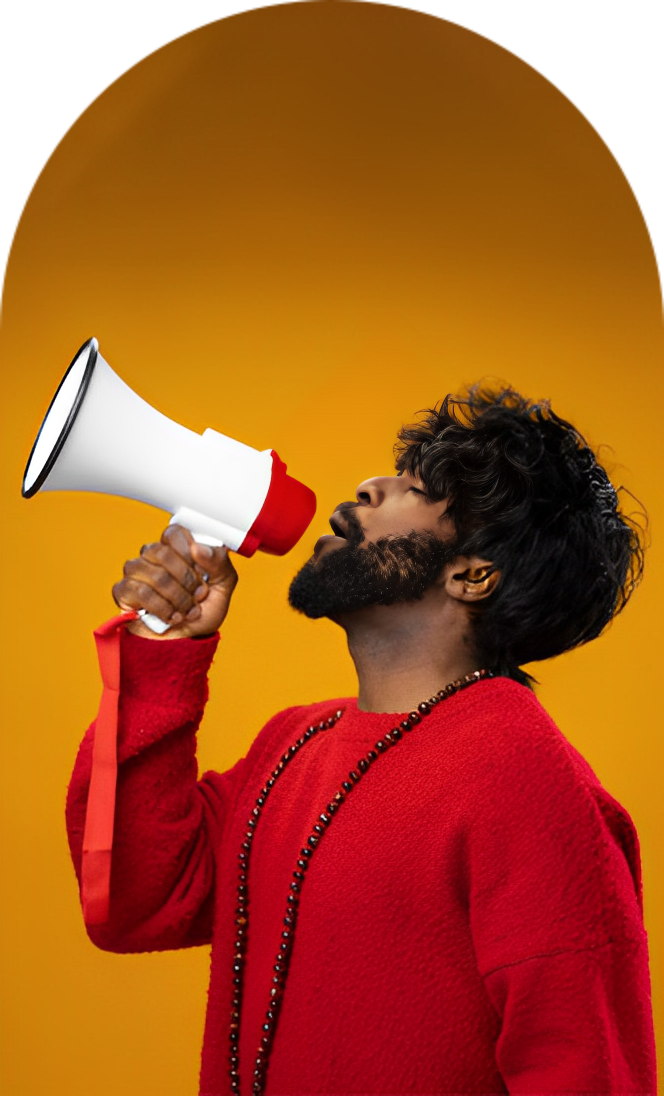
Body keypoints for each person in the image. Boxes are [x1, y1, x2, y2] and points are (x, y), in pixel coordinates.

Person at [66, 386, 657, 1095]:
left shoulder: (526, 777)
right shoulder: (296, 741)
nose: (368, 487)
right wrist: (163, 647)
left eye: (416, 489)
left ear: (473, 575)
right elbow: (138, 897)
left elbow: (586, 1071)